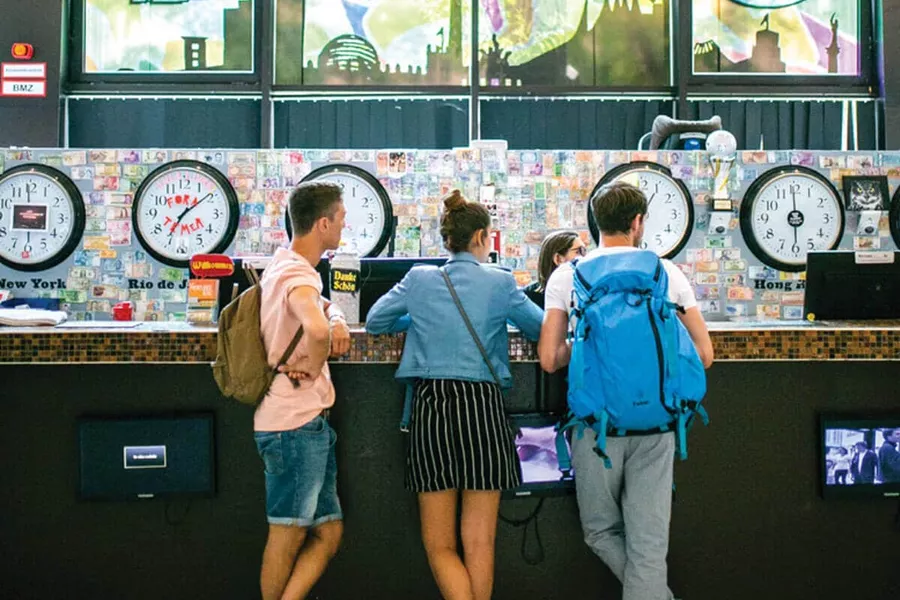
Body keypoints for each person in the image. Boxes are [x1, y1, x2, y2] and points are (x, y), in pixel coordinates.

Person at [538, 181, 714, 600]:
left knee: (600, 531)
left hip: (595, 427)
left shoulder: (568, 276)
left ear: (596, 222)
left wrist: (583, 347)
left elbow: (549, 358)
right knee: (649, 549)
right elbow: (704, 354)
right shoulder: (666, 272)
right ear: (638, 223)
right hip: (658, 422)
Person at [366, 189, 542, 600]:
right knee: (480, 541)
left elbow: (376, 321)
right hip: (482, 409)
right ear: (481, 236)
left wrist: (422, 316)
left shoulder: (420, 278)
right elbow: (539, 330)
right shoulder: (501, 283)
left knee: (440, 545)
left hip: (433, 409)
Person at [254, 181, 352, 600]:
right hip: (293, 425)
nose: (345, 226)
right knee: (287, 534)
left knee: (327, 532)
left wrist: (338, 317)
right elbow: (312, 326)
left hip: (304, 425)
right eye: (342, 219)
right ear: (324, 223)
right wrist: (313, 367)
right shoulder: (298, 274)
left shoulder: (286, 265)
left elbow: (320, 313)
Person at [522, 230, 586, 309]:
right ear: (558, 259)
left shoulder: (584, 292)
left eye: (585, 251)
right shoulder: (528, 299)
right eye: (579, 251)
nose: (584, 257)